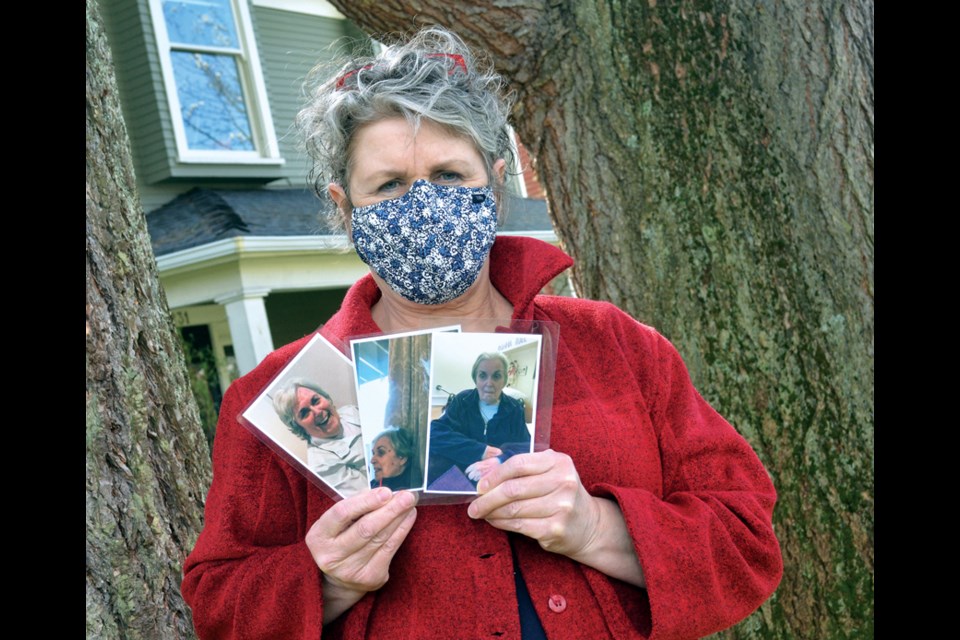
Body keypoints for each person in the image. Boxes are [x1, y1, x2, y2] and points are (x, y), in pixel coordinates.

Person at [183, 26, 782, 639]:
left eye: (448, 174)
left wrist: (598, 528)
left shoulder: (617, 346)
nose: (421, 204)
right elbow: (218, 605)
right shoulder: (281, 393)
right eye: (388, 184)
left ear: (494, 186)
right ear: (344, 207)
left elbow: (747, 542)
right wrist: (325, 579)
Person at [428, 352, 531, 486]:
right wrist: (481, 451)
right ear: (475, 379)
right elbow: (434, 433)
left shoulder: (514, 408)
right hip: (458, 474)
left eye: (496, 376)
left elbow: (526, 446)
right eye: (483, 375)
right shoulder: (462, 400)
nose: (489, 383)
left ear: (504, 380)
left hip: (496, 478)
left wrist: (500, 460)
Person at [272, 379, 368, 497]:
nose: (317, 412)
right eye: (304, 413)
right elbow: (370, 492)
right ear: (299, 427)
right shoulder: (320, 464)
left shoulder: (350, 410)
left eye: (316, 401)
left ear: (326, 398)